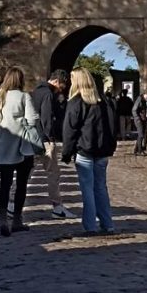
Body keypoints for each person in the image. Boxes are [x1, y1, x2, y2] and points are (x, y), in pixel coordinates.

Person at [62, 68, 118, 235]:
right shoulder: (104, 102)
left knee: (88, 190)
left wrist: (66, 152)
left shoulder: (77, 102)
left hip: (85, 151)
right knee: (100, 188)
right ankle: (107, 224)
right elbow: (112, 127)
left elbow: (70, 130)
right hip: (102, 152)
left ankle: (90, 226)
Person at [0, 67, 41, 237]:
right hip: (22, 146)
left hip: (3, 146)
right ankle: (17, 220)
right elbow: (32, 120)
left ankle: (2, 218)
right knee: (21, 184)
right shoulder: (24, 96)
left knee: (4, 184)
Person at [31, 69, 76, 219]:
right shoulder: (48, 94)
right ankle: (57, 207)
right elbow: (46, 117)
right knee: (53, 173)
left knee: (26, 172)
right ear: (56, 81)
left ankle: (11, 202)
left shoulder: (36, 92)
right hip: (45, 139)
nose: (60, 90)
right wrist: (50, 137)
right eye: (61, 86)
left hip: (32, 137)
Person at [132, 88, 147, 156]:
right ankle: (140, 151)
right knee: (141, 135)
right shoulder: (140, 99)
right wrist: (138, 118)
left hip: (142, 119)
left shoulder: (143, 100)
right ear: (145, 94)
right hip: (139, 119)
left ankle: (136, 150)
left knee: (141, 134)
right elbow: (134, 110)